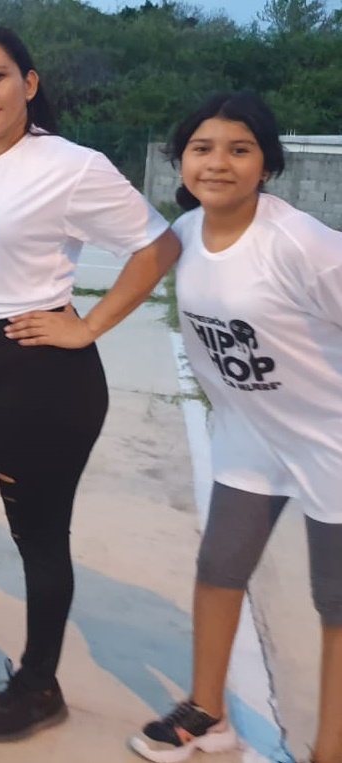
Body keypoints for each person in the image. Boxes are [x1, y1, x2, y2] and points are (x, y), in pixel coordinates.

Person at [0, 26, 180, 741]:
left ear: (29, 83)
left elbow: (158, 244)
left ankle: (39, 684)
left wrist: (88, 325)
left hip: (45, 381)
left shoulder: (68, 166)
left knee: (37, 540)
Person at [129, 93, 342, 763]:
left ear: (266, 165)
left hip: (332, 442)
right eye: (201, 148)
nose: (217, 163)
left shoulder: (301, 243)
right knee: (219, 568)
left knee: (335, 602)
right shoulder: (186, 233)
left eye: (239, 149)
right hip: (251, 435)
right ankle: (206, 711)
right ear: (180, 160)